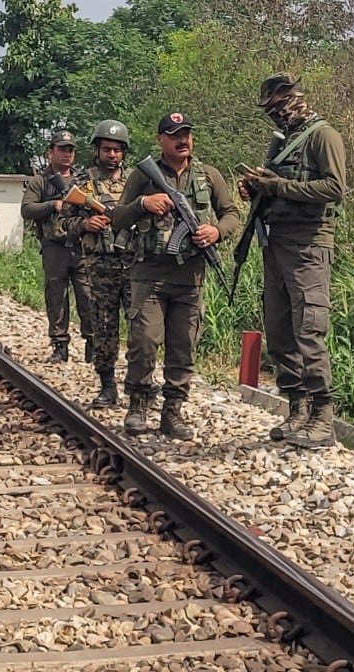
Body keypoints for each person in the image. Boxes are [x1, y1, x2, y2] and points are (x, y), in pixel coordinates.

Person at [110, 112, 240, 439]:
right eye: (174, 135)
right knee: (144, 342)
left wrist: (216, 231)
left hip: (190, 279)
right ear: (161, 140)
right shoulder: (144, 175)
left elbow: (232, 214)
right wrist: (143, 203)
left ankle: (173, 411)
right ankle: (138, 405)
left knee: (183, 348)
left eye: (186, 133)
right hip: (149, 275)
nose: (182, 140)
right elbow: (118, 218)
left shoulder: (208, 175)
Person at [238, 72, 346, 448]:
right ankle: (297, 406)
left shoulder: (322, 135)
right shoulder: (283, 142)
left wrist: (277, 186)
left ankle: (323, 417)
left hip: (308, 244)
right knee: (280, 329)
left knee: (309, 329)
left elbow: (335, 188)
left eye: (277, 106)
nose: (274, 115)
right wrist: (258, 188)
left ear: (290, 98)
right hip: (277, 241)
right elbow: (279, 184)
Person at [60, 119, 133, 408]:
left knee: (140, 328)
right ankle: (107, 385)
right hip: (99, 264)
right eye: (106, 149)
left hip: (133, 264)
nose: (112, 155)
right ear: (97, 150)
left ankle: (140, 384)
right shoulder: (82, 182)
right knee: (103, 327)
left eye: (117, 150)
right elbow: (64, 221)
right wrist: (86, 224)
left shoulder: (135, 181)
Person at [20, 131, 94, 363]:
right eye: (62, 149)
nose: (67, 154)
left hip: (81, 246)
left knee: (88, 296)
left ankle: (92, 344)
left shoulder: (83, 180)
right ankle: (60, 345)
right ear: (51, 152)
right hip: (54, 247)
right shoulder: (40, 181)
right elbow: (27, 209)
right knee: (56, 298)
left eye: (70, 149)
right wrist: (53, 205)